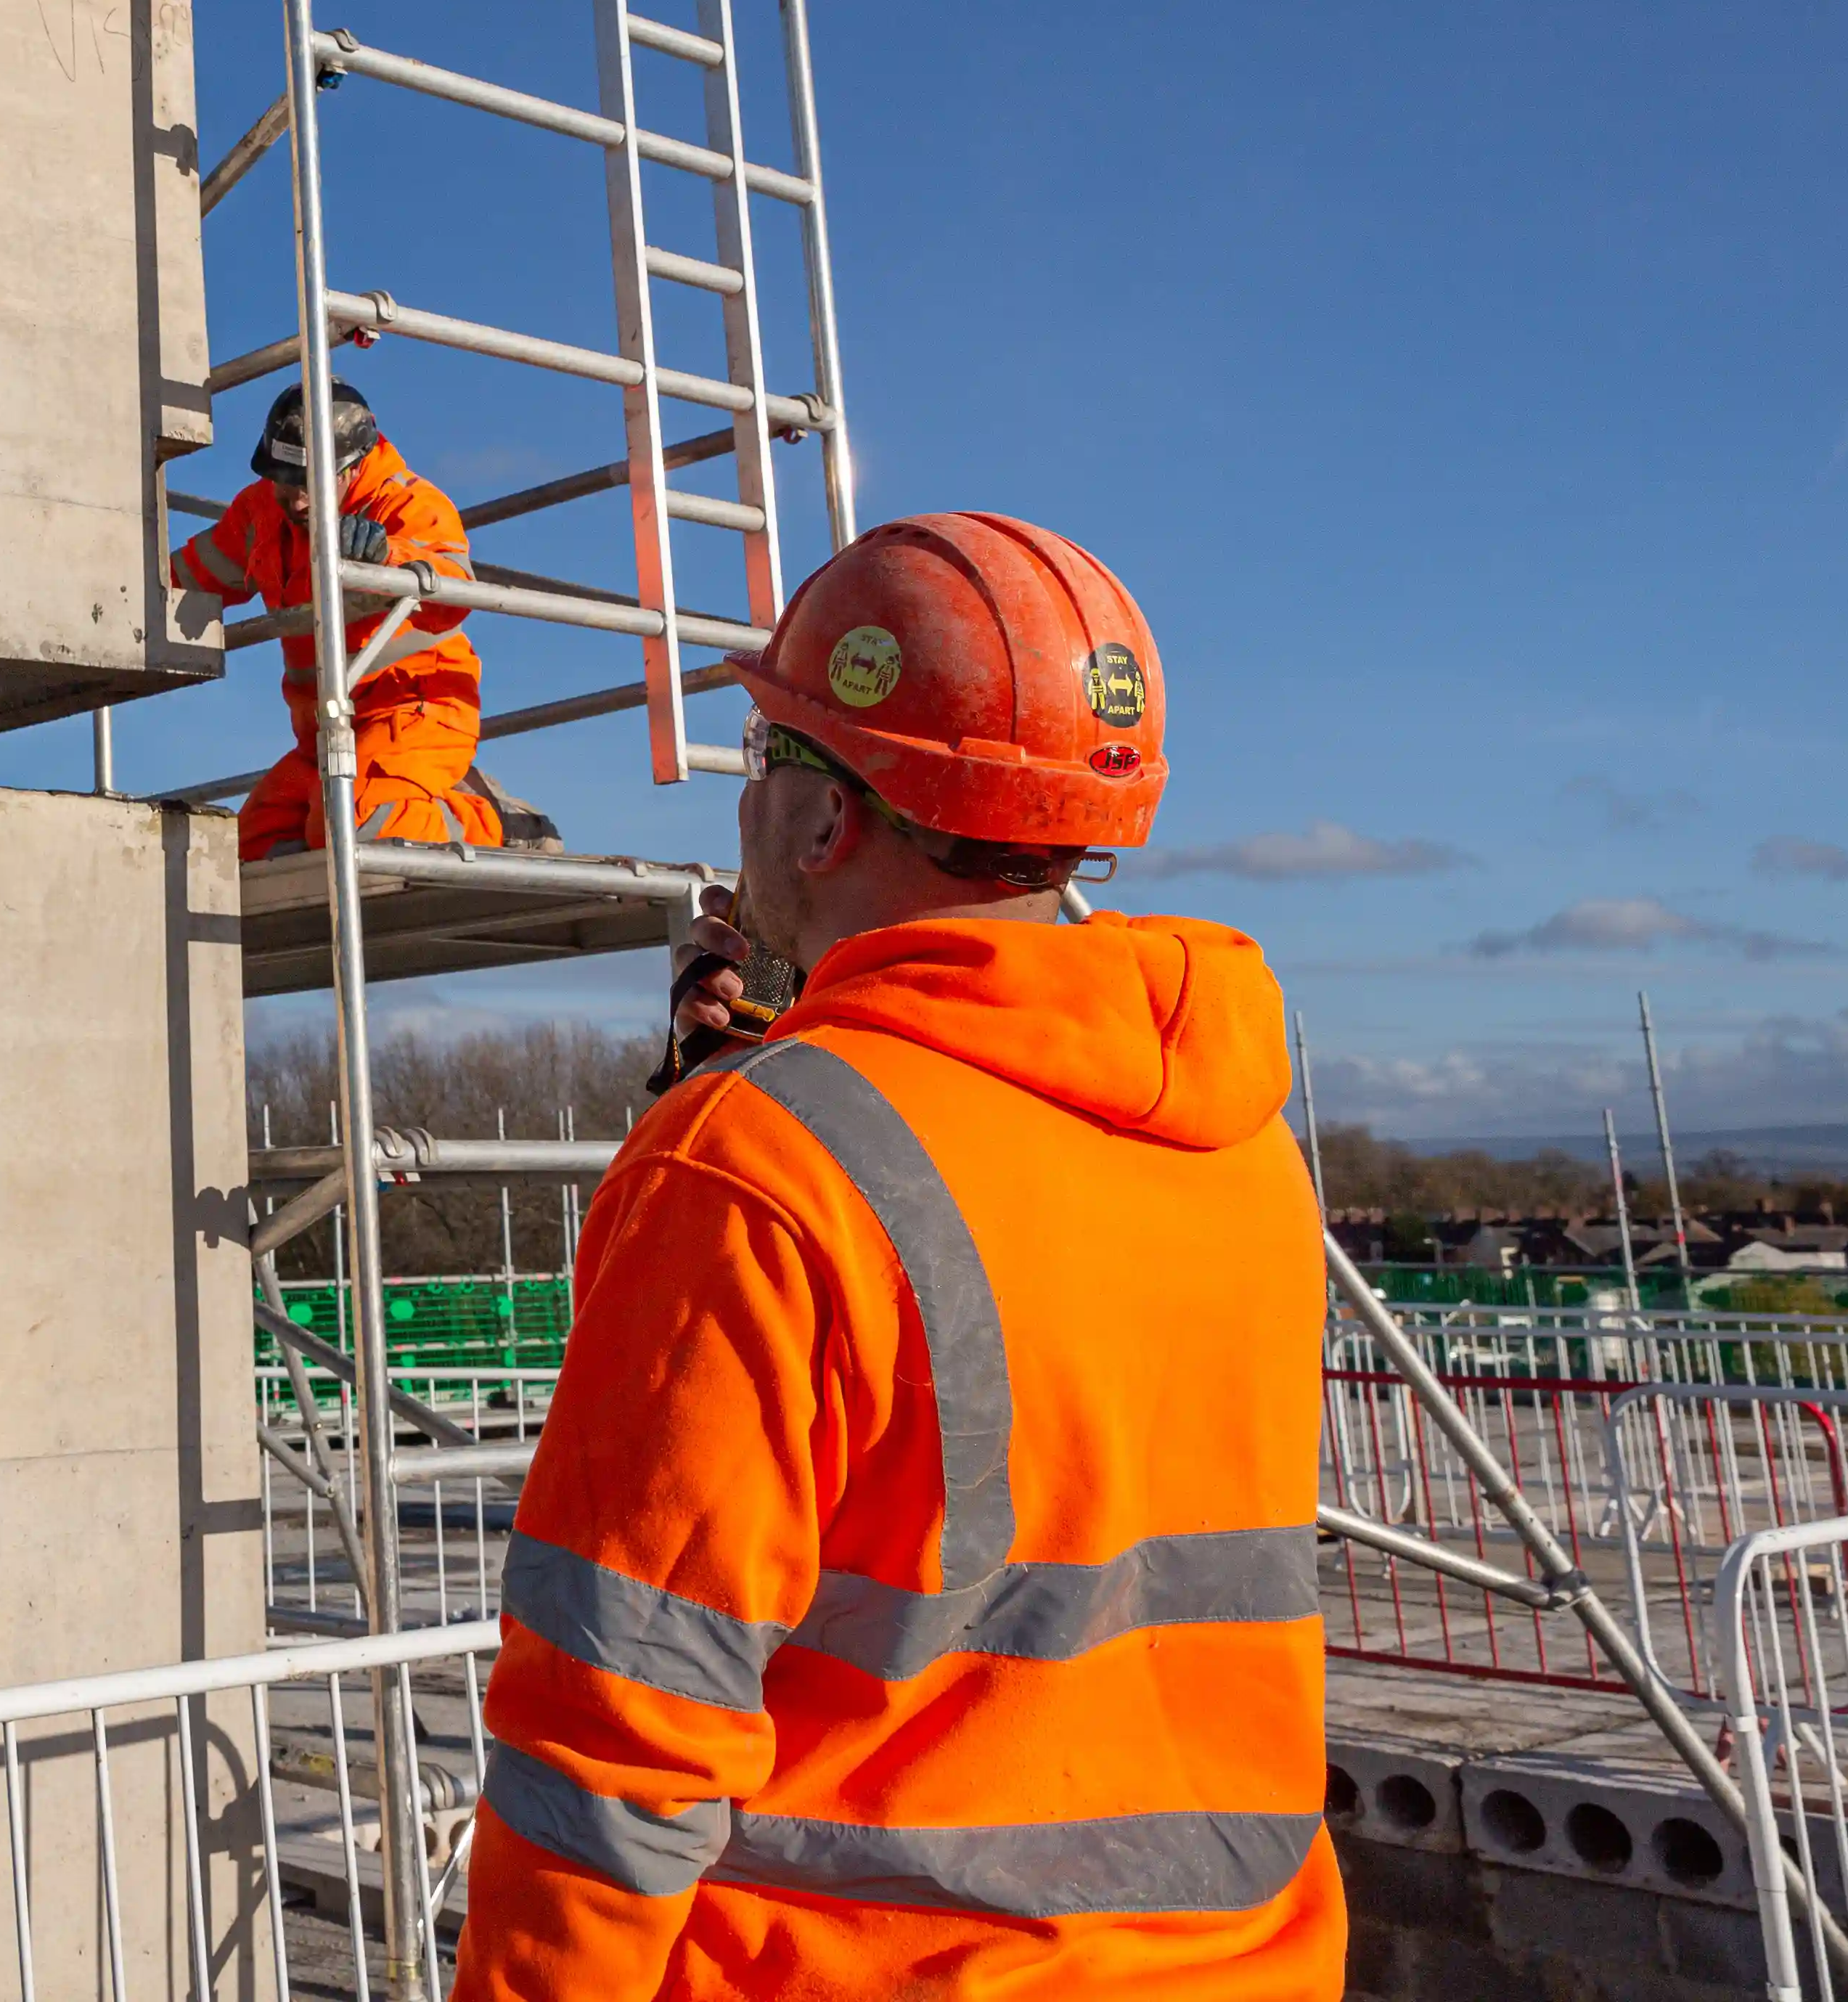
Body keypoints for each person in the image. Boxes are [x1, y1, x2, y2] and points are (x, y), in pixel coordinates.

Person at [453, 512, 1338, 2001]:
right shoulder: (1241, 1145)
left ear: (820, 822)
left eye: (760, 761)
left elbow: (617, 1737)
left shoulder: (758, 1166)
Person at [167, 379, 514, 863]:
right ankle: (370, 811)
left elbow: (453, 590)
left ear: (354, 466)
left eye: (310, 482)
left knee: (358, 828)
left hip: (415, 712)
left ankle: (495, 823)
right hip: (326, 734)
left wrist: (387, 559)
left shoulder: (407, 503)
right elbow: (186, 576)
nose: (297, 499)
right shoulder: (261, 511)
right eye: (285, 481)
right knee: (240, 855)